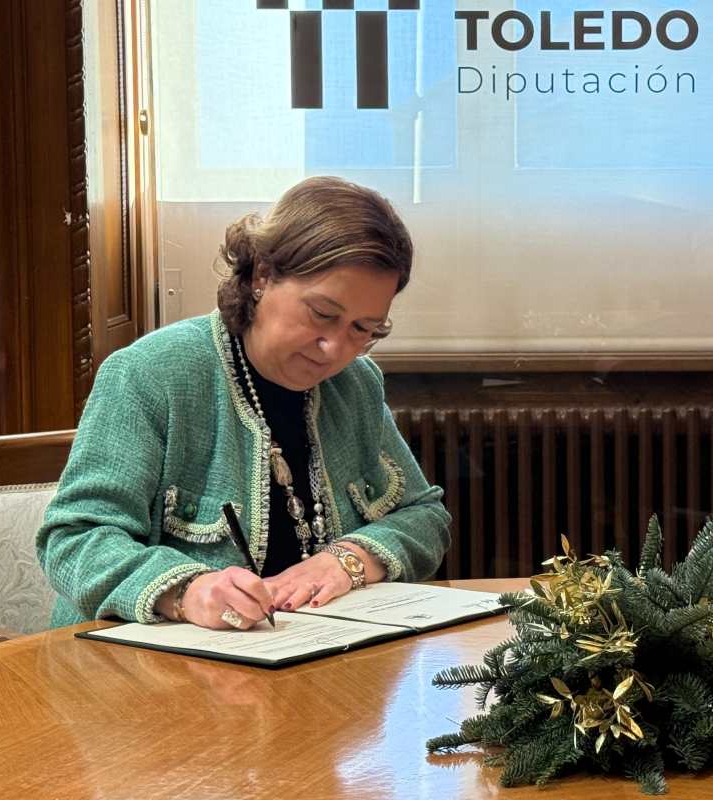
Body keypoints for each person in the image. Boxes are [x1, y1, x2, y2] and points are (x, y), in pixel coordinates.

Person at [38, 176, 451, 630]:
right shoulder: (150, 375)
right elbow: (73, 539)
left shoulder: (355, 385)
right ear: (261, 275)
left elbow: (425, 517)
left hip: (309, 665)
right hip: (145, 677)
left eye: (362, 329)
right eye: (323, 314)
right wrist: (185, 590)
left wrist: (346, 560)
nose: (334, 348)